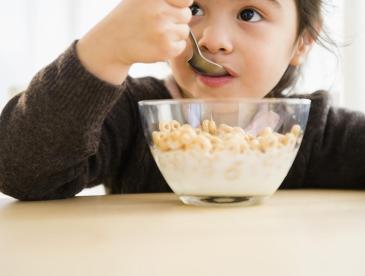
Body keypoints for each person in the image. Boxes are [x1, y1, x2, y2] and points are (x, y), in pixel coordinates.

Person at [0, 0, 364, 201]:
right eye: (194, 9)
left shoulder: (312, 131)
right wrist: (104, 49)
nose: (212, 40)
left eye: (249, 14)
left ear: (302, 42)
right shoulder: (129, 112)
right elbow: (21, 172)